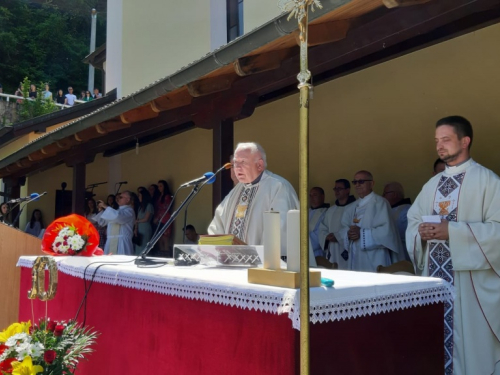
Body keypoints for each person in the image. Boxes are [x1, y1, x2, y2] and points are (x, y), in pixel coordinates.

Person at [406, 115, 500, 375]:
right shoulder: (432, 185)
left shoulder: (487, 181)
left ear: (465, 140)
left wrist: (453, 232)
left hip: (471, 288)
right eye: (437, 141)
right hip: (437, 282)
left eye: (446, 139)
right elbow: (413, 220)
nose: (439, 146)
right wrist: (420, 233)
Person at [208, 142, 299, 256]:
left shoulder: (278, 187)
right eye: (235, 163)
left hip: (263, 269)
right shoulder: (234, 192)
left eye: (243, 162)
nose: (237, 167)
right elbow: (217, 226)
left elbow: (279, 231)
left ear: (259, 165)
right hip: (231, 266)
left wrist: (260, 258)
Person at [340, 171, 405, 272]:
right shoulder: (351, 207)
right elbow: (343, 228)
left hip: (375, 257)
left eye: (361, 181)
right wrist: (348, 233)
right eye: (355, 182)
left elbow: (387, 232)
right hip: (355, 256)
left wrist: (361, 233)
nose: (357, 185)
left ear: (371, 183)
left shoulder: (380, 203)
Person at [318, 179, 356, 270]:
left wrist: (339, 237)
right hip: (333, 249)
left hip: (348, 249)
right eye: (335, 189)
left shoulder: (355, 208)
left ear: (347, 190)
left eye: (340, 188)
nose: (337, 191)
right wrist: (326, 236)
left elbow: (356, 228)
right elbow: (322, 228)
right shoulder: (331, 210)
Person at [95, 191, 136, 255]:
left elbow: (118, 217)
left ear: (128, 199)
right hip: (110, 241)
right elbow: (102, 222)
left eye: (121, 197)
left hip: (122, 242)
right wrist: (101, 210)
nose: (118, 199)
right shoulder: (116, 211)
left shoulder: (129, 211)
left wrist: (106, 206)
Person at [383, 181, 411, 248]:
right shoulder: (390, 209)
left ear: (394, 194)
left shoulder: (407, 211)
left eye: (385, 193)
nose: (382, 196)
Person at [308, 187, 331, 268]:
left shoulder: (327, 212)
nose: (312, 198)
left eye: (315, 195)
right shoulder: (307, 212)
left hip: (317, 253)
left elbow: (319, 235)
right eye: (310, 195)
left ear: (322, 197)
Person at [153, 180, 173, 254]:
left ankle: (166, 255)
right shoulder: (159, 196)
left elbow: (166, 208)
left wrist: (158, 218)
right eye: (158, 186)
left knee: (165, 238)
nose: (159, 188)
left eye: (160, 186)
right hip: (159, 218)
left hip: (165, 218)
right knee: (159, 238)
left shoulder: (167, 196)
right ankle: (161, 254)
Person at [134, 187, 154, 255]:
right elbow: (137, 218)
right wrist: (136, 229)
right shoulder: (140, 207)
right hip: (139, 228)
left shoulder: (149, 206)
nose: (138, 197)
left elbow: (146, 219)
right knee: (138, 245)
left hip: (145, 228)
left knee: (144, 245)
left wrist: (137, 221)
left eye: (139, 196)